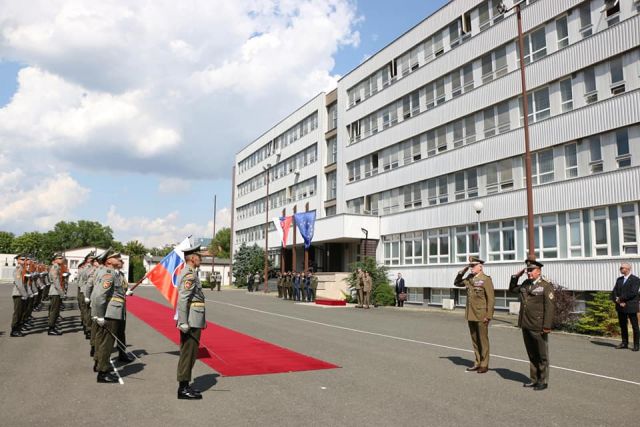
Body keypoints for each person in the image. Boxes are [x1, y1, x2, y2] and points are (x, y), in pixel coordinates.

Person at [509, 257, 554, 391]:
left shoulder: (546, 285)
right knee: (532, 354)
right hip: (526, 323)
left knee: (542, 355)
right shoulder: (525, 283)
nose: (529, 272)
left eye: (531, 270)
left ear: (538, 271)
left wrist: (547, 326)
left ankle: (543, 381)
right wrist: (515, 277)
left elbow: (549, 307)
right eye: (528, 270)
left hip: (538, 325)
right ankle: (534, 379)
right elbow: (512, 289)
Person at [453, 257, 495, 374]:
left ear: (480, 266)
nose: (471, 268)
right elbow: (457, 283)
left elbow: (491, 299)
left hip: (482, 315)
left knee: (483, 340)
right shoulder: (469, 278)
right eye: (470, 266)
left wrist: (489, 315)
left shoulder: (485, 279)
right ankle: (477, 362)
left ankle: (484, 364)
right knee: (475, 340)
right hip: (471, 313)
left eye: (473, 266)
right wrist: (463, 270)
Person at [176, 245, 206, 400]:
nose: (201, 259)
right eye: (199, 256)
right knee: (188, 354)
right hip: (191, 319)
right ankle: (183, 388)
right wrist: (183, 322)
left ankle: (185, 385)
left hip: (194, 318)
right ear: (193, 258)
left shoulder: (190, 272)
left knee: (190, 354)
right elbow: (183, 298)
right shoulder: (189, 274)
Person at [92, 250, 126, 383]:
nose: (119, 259)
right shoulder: (109, 274)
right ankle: (103, 372)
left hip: (110, 311)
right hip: (111, 313)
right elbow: (99, 295)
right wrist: (100, 315)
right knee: (107, 343)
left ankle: (100, 365)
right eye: (116, 257)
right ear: (109, 261)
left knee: (103, 341)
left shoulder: (110, 273)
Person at [611, 263, 640, 351]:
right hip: (620, 306)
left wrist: (621, 299)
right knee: (623, 325)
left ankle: (636, 345)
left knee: (635, 326)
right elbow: (614, 291)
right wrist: (618, 301)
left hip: (631, 306)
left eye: (622, 268)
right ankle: (624, 343)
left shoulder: (635, 279)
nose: (620, 269)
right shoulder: (619, 279)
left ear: (628, 269)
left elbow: (633, 292)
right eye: (620, 268)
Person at [47, 253, 65, 336]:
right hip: (55, 291)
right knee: (54, 311)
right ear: (55, 260)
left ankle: (52, 326)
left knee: (55, 310)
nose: (61, 260)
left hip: (56, 291)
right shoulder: (55, 267)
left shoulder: (58, 267)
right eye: (59, 258)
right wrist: (61, 293)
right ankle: (51, 328)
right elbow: (56, 281)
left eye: (62, 258)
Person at [10, 254, 27, 337]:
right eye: (22, 260)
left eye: (24, 259)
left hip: (21, 293)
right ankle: (14, 330)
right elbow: (19, 284)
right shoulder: (18, 269)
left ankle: (18, 329)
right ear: (18, 261)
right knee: (17, 313)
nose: (24, 261)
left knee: (21, 312)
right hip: (18, 293)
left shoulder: (22, 269)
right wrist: (24, 294)